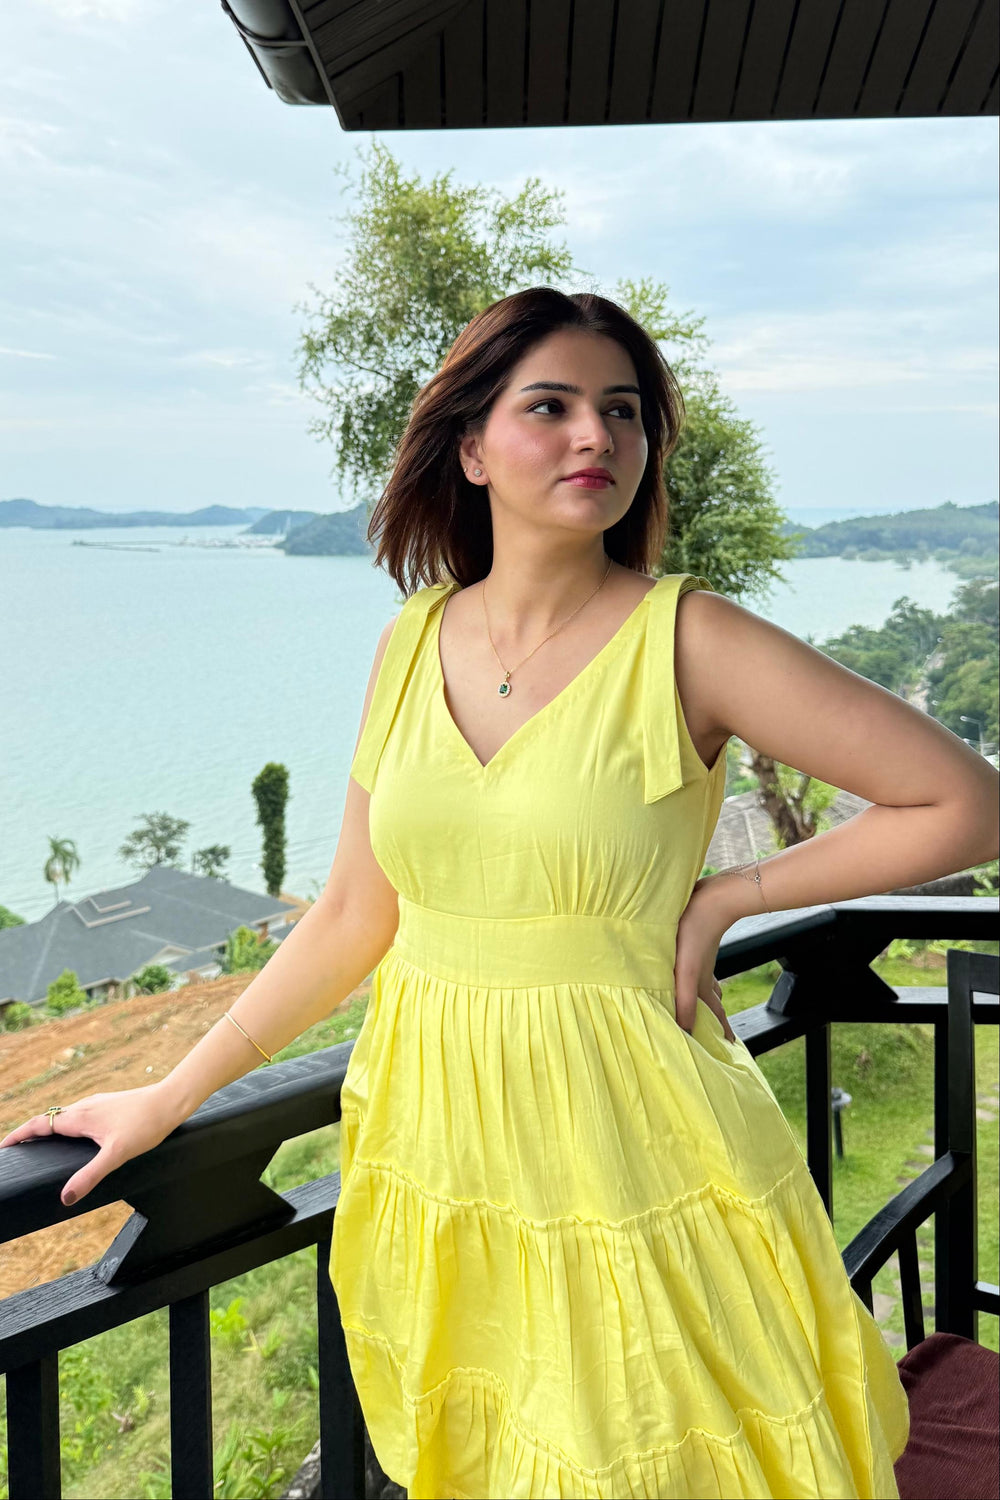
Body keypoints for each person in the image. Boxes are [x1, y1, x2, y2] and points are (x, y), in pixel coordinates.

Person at [3, 287, 997, 1500]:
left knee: (662, 1443)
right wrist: (167, 1094)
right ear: (470, 448)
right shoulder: (413, 639)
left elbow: (961, 802)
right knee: (490, 1448)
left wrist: (727, 895)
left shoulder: (687, 639)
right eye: (553, 406)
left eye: (623, 413)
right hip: (436, 1125)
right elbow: (352, 917)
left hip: (628, 1127)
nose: (597, 438)